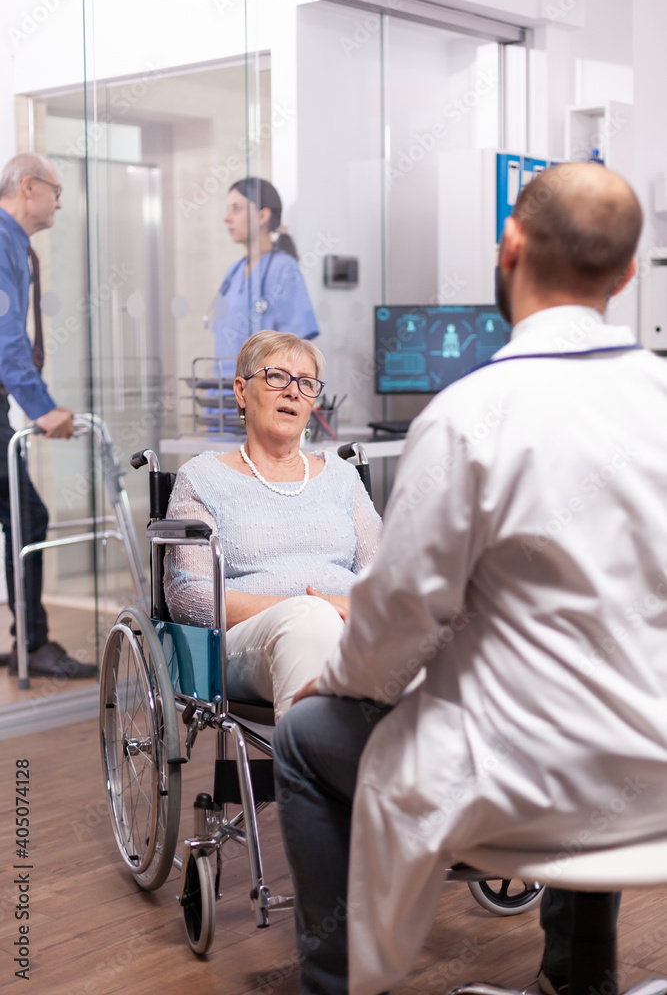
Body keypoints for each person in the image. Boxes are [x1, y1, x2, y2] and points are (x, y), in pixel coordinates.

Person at [272, 161, 667, 995]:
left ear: (509, 245)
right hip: (653, 776)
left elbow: (397, 627)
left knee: (305, 740)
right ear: (628, 273)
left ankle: (334, 988)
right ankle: (577, 975)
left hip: (517, 787)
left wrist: (333, 682)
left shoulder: (467, 415)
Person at [164, 330, 381, 719]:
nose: (294, 391)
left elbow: (385, 577)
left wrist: (353, 609)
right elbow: (189, 596)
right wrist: (307, 607)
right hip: (247, 644)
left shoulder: (342, 478)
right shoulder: (202, 477)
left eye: (306, 383)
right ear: (241, 390)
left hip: (353, 630)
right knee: (310, 623)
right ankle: (307, 773)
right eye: (277, 377)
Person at [0, 152, 96, 679]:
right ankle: (32, 645)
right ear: (30, 187)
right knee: (28, 516)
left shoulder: (14, 244)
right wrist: (42, 409)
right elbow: (5, 336)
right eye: (56, 191)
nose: (60, 202)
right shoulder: (2, 241)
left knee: (22, 515)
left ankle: (29, 643)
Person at [211, 177, 319, 380]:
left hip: (257, 395)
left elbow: (296, 347)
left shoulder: (283, 268)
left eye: (236, 209)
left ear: (262, 215)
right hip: (219, 395)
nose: (227, 218)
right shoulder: (234, 271)